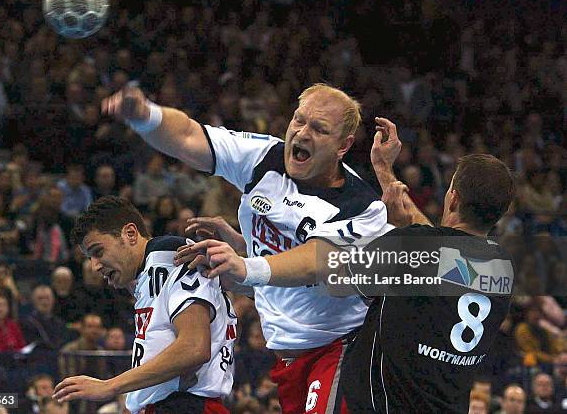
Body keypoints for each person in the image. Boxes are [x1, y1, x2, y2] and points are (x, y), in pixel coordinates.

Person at [183, 118, 516, 412]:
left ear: (452, 197)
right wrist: (385, 174)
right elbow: (439, 249)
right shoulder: (500, 268)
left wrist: (247, 255)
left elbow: (325, 271)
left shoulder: (417, 248)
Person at [103, 83, 392, 413]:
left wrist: (244, 265)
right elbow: (188, 137)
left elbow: (316, 261)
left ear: (343, 146)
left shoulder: (361, 208)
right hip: (288, 353)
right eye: (299, 120)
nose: (303, 133)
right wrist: (145, 115)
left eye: (319, 128)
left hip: (344, 346)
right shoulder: (264, 158)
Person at [53, 196, 236, 413]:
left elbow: (194, 348)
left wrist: (109, 386)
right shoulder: (146, 276)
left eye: (98, 252)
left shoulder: (168, 256)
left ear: (130, 234)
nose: (94, 266)